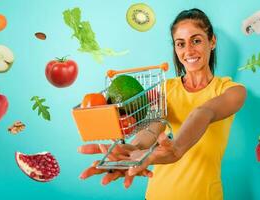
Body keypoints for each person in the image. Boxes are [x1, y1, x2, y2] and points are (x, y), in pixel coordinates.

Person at [77, 8, 246, 200]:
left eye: (196, 40)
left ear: (212, 41)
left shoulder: (231, 91)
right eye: (180, 44)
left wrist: (177, 149)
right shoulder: (165, 89)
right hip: (157, 194)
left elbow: (203, 112)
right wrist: (133, 150)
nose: (188, 50)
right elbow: (151, 129)